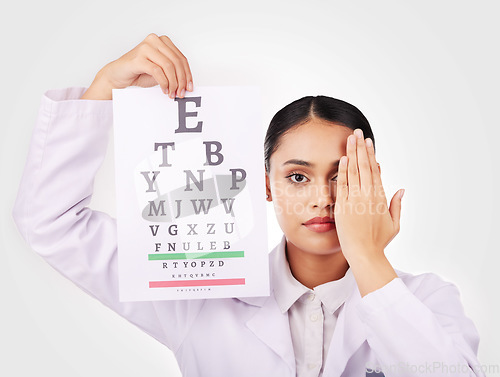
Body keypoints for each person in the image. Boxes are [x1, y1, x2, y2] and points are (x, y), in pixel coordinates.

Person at [12, 33, 485, 377]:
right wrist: (103, 87)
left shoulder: (426, 301)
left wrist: (368, 259)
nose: (323, 197)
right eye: (297, 176)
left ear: (372, 185)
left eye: (343, 177)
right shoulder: (198, 292)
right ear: (265, 186)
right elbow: (51, 222)